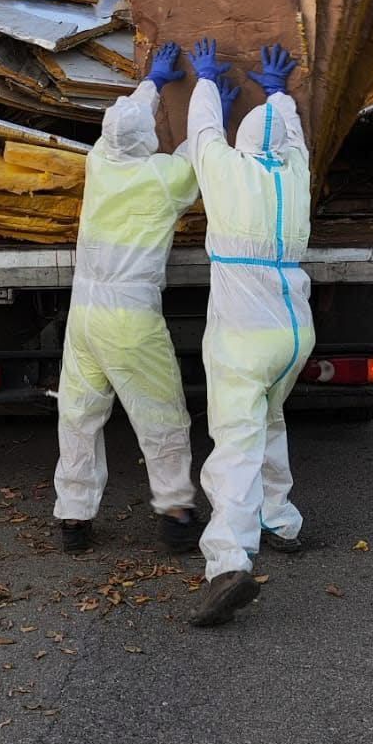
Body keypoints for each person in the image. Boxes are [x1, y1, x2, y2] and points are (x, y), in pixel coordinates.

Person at [53, 42, 205, 555]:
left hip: (84, 313)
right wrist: (210, 94)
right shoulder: (161, 180)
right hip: (129, 317)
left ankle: (74, 518)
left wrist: (152, 82)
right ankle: (176, 513)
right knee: (160, 413)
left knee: (78, 415)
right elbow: (199, 155)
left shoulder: (99, 163)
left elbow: (126, 123)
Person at [183, 37, 315, 628]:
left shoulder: (226, 173)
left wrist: (206, 79)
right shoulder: (297, 177)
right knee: (270, 418)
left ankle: (226, 565)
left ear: (241, 146)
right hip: (293, 333)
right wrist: (280, 93)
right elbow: (295, 140)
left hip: (242, 333)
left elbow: (204, 134)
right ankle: (280, 518)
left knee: (234, 442)